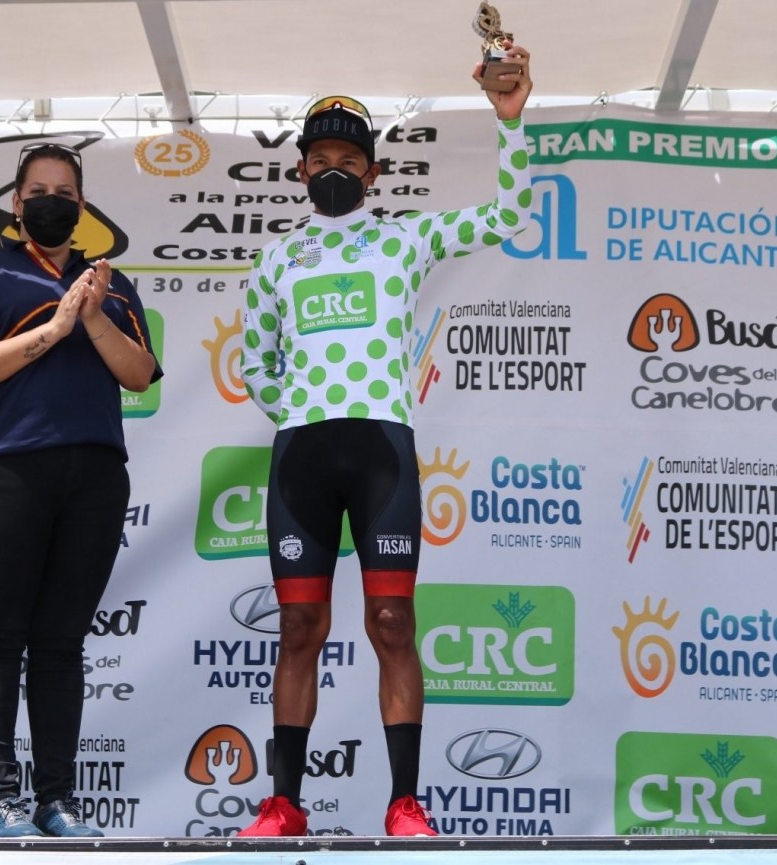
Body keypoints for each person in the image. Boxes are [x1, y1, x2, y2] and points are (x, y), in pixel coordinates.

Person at [237, 46, 533, 837]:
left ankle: (405, 802)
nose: (334, 170)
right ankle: (284, 803)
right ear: (300, 171)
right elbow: (255, 361)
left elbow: (507, 217)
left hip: (382, 455)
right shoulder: (276, 259)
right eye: (320, 159)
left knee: (393, 621)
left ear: (373, 173)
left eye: (349, 160)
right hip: (303, 456)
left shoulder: (405, 240)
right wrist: (304, 408)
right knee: (298, 628)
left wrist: (509, 122)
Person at [0, 142, 162, 838]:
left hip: (93, 477)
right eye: (38, 192)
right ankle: (0, 800)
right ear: (16, 203)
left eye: (64, 193)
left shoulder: (110, 285)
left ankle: (56, 800)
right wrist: (57, 326)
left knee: (62, 642)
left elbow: (140, 373)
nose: (51, 202)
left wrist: (90, 317)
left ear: (82, 205)